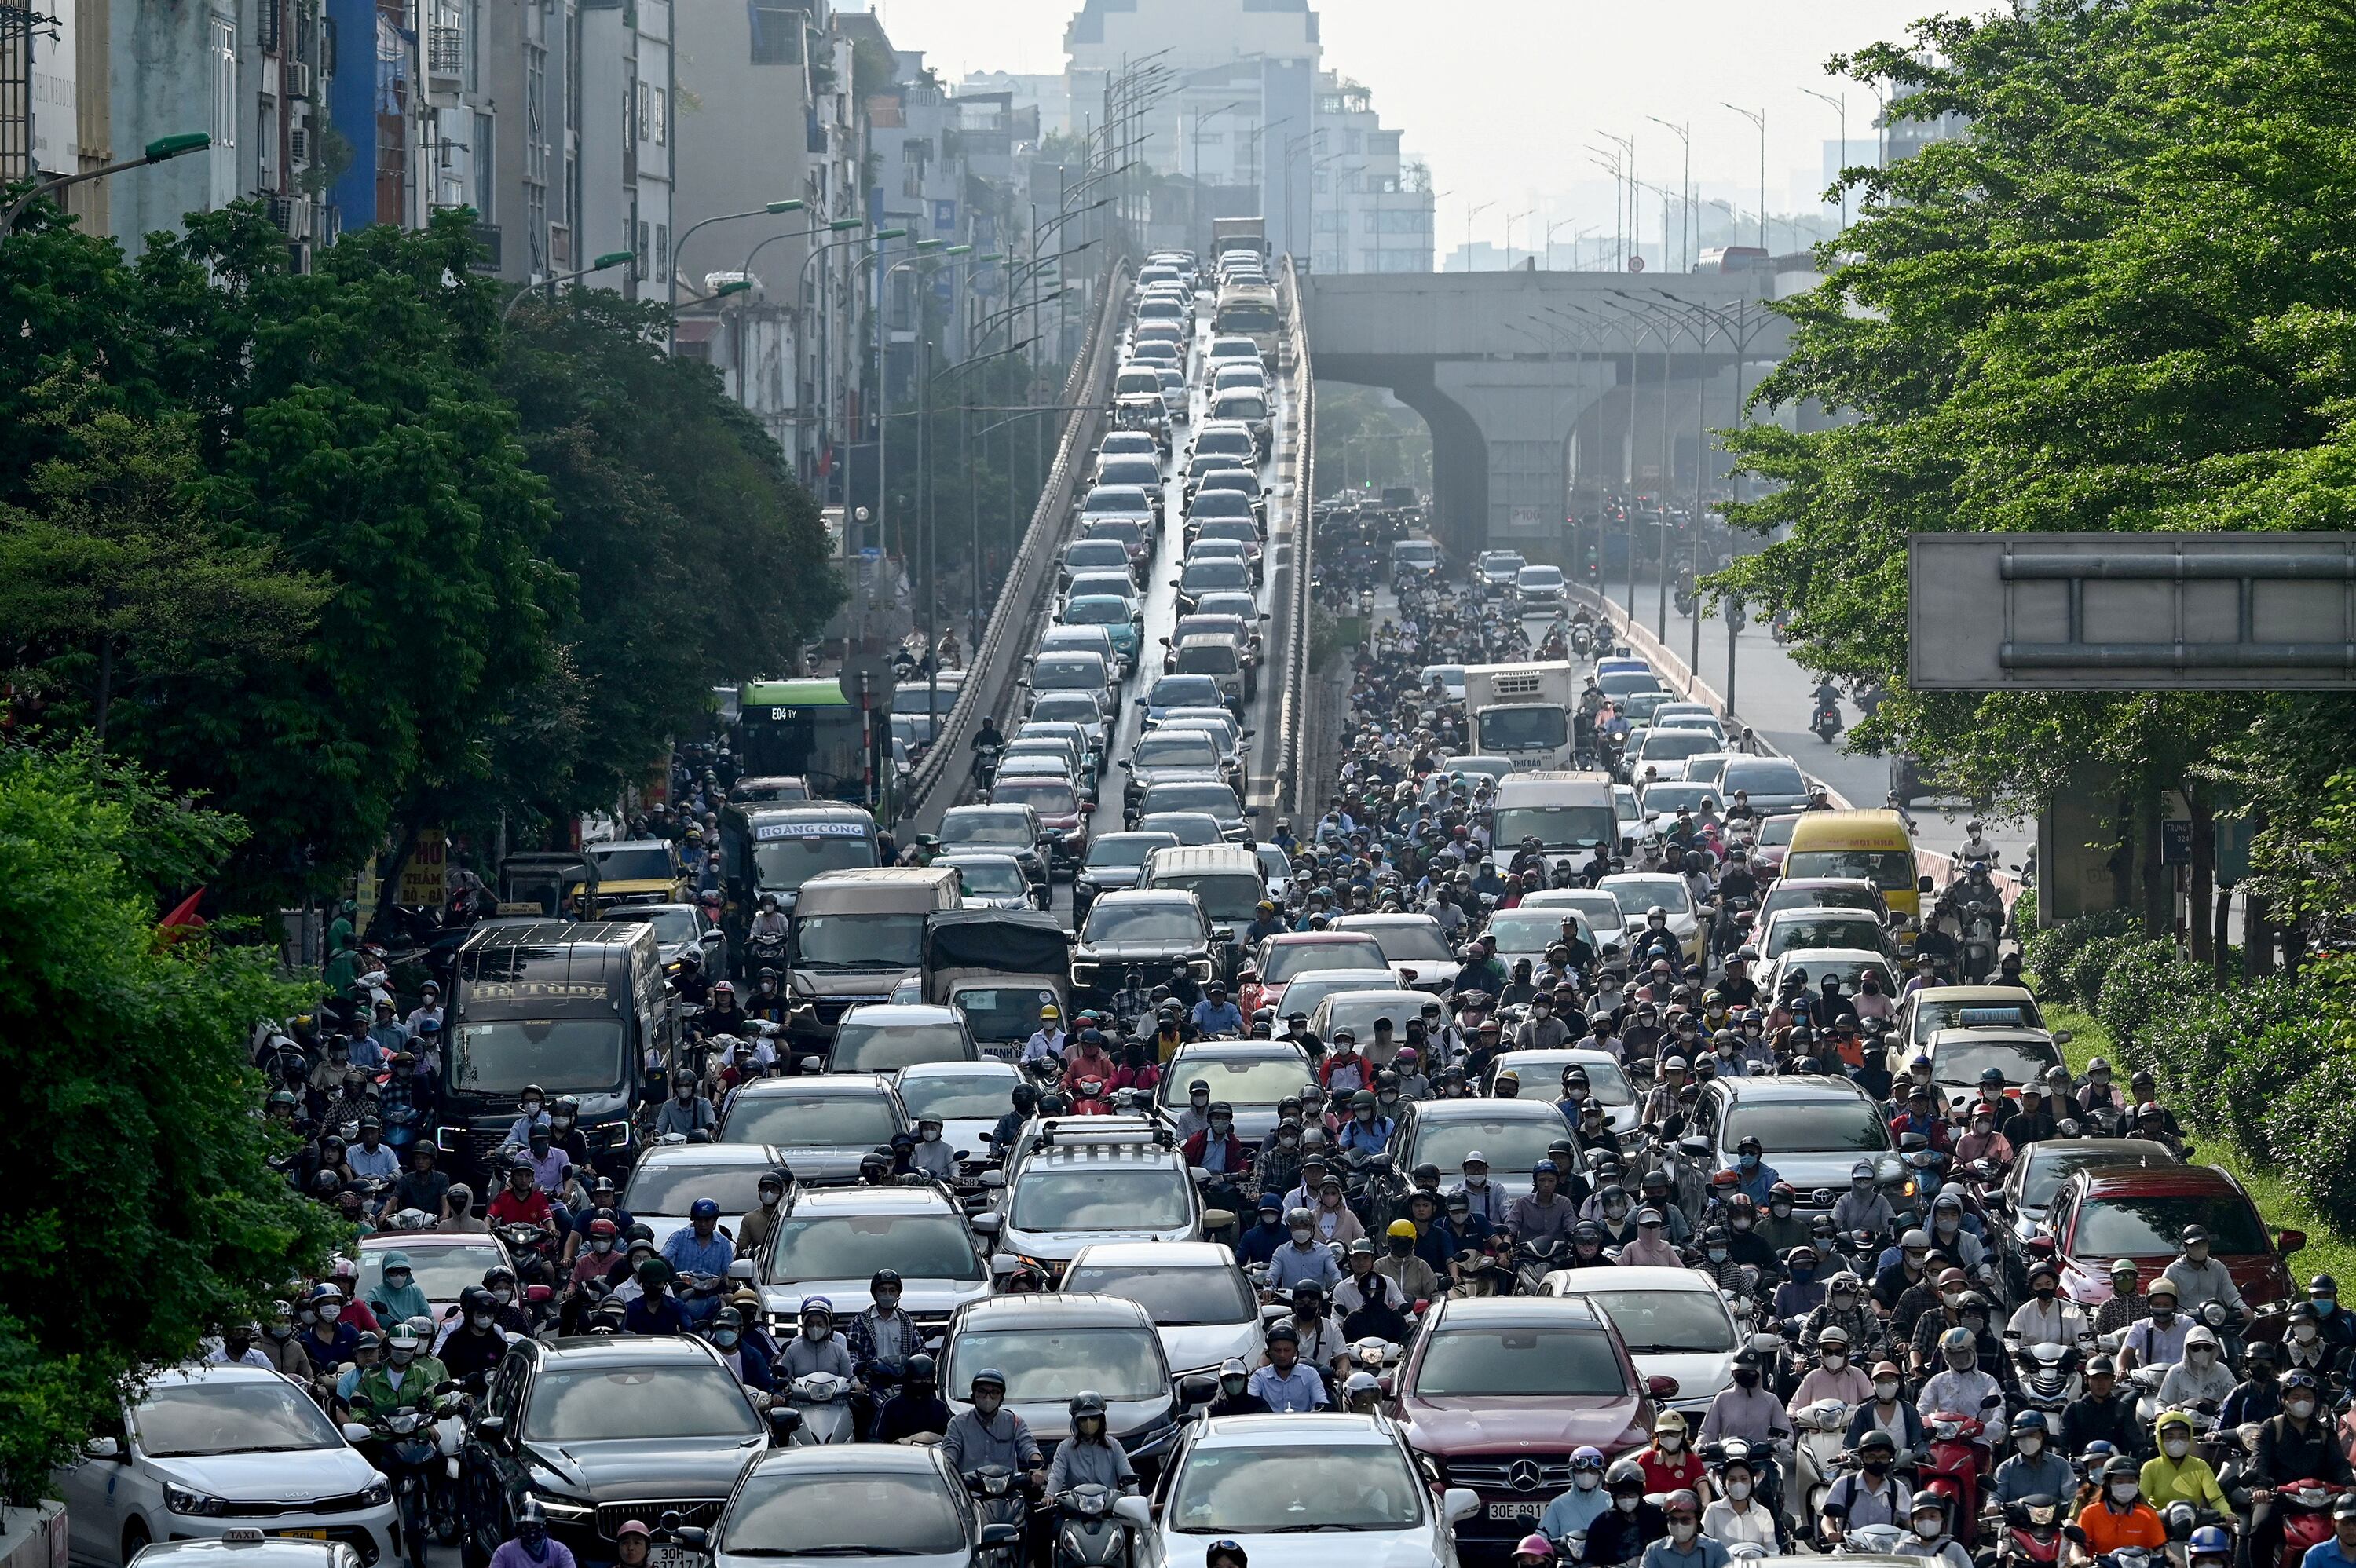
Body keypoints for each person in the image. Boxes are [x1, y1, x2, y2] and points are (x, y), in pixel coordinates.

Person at [2249, 1369, 2354, 1568]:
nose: (2302, 1401)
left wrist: (2348, 1483)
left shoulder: (2324, 1431)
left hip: (2322, 1499)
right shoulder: (2271, 1427)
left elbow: (2339, 1462)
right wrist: (2261, 1487)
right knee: (2259, 1528)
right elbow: (2259, 1459)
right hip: (2280, 1498)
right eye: (2296, 1397)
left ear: (2315, 1400)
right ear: (2284, 1400)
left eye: (2307, 1396)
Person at [940, 1368, 1047, 1486]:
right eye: (982, 1391)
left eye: (994, 1392)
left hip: (1008, 1492)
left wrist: (1037, 1469)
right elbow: (949, 1454)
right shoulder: (958, 1423)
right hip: (970, 1491)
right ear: (973, 1394)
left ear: (1001, 1397)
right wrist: (948, 1472)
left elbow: (1029, 1446)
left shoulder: (1014, 1422)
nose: (988, 1397)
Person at [2071, 1456, 2167, 1564]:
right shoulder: (2090, 1513)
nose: (2126, 1486)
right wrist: (2079, 1559)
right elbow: (2078, 1546)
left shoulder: (2148, 1514)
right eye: (2119, 1482)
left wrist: (2174, 1559)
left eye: (2131, 1481)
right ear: (2108, 1484)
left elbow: (2160, 1547)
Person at [1823, 1427, 1913, 1537]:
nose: (1877, 1462)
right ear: (1862, 1458)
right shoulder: (1843, 1485)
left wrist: (1926, 1529)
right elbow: (1828, 1518)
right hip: (1849, 1549)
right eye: (1871, 1457)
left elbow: (1909, 1519)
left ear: (1890, 1459)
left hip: (1886, 1549)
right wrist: (1830, 1532)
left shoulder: (1898, 1488)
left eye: (1883, 1457)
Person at [2141, 1407, 2230, 1516]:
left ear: (2190, 1438)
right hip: (2159, 1526)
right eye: (2170, 1437)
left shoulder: (2200, 1466)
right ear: (2160, 1439)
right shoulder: (2150, 1467)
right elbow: (2141, 1501)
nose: (2176, 1441)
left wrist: (2227, 1513)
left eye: (2182, 1437)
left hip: (2194, 1525)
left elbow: (2216, 1499)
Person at [2061, 1354, 2145, 1460]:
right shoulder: (2073, 1409)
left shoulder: (2123, 1410)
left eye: (2105, 1378)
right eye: (2095, 1378)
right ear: (2086, 1379)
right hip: (2081, 1470)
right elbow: (2061, 1445)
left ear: (2113, 1379)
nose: (2101, 1383)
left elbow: (2137, 1443)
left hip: (2115, 1472)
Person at [1700, 1448, 1781, 1551]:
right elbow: (1704, 1547)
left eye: (1744, 1479)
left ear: (1751, 1481)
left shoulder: (1763, 1513)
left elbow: (1772, 1551)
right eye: (1732, 1480)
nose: (1738, 1484)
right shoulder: (1713, 1510)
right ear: (1725, 1483)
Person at [1592, 1460, 1670, 1567]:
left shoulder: (1659, 1518)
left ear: (1641, 1492)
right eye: (1622, 1496)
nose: (1627, 1499)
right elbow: (1590, 1563)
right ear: (1614, 1496)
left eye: (1632, 1495)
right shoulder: (1601, 1524)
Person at [1992, 1409, 2075, 1504]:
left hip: (2055, 1518)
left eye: (2032, 1435)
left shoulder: (2061, 1465)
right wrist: (1993, 1505)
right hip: (2017, 1519)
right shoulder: (2006, 1468)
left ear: (2044, 1435)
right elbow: (1996, 1495)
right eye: (2022, 1436)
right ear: (2015, 1441)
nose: (2027, 1440)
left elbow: (2072, 1496)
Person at [1247, 1323, 1328, 1411]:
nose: (1282, 1355)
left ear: (1295, 1352)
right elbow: (1251, 1405)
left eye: (1287, 1350)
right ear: (1269, 1352)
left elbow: (1321, 1403)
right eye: (1277, 1350)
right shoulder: (1259, 1377)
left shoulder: (1310, 1374)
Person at [1538, 1448, 1614, 1543]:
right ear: (1572, 1473)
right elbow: (1543, 1537)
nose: (1587, 1474)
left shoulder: (1611, 1502)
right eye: (1581, 1471)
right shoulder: (1558, 1504)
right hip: (1567, 1557)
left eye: (1592, 1471)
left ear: (1600, 1475)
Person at [1641, 1490, 1730, 1568]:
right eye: (1673, 1520)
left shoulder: (1715, 1549)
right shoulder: (1654, 1551)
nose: (1678, 1525)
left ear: (1697, 1520)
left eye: (1685, 1520)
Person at [489, 1500, 576, 1568]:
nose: (530, 1528)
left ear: (543, 1525)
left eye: (534, 1525)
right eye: (525, 1525)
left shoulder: (561, 1552)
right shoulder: (503, 1552)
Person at [1897, 1492, 1971, 1568]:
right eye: (1920, 1517)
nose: (1927, 1521)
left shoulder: (1955, 1549)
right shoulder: (1903, 1549)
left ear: (1942, 1519)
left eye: (1932, 1516)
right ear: (1913, 1521)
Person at [1205, 1358, 1270, 1417]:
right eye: (1227, 1378)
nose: (1233, 1383)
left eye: (1238, 1377)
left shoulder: (1259, 1405)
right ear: (1222, 1381)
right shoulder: (1215, 1408)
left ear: (1245, 1379)